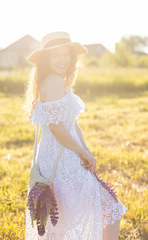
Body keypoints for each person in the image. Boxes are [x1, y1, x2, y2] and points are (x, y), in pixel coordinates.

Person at [24, 31, 128, 240]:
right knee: (110, 206)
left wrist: (86, 151)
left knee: (61, 221)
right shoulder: (52, 80)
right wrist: (82, 152)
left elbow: (71, 123)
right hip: (61, 161)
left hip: (64, 158)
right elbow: (56, 127)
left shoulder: (57, 80)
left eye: (65, 54)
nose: (62, 60)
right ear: (46, 59)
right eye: (55, 55)